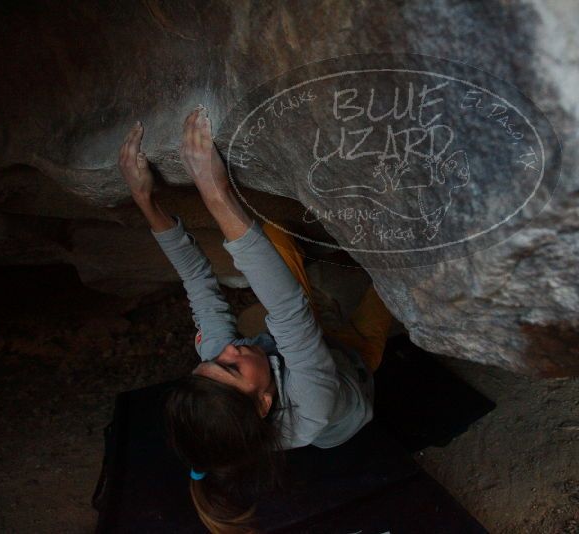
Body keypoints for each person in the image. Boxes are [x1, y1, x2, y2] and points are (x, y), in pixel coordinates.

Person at [116, 105, 394, 533]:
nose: (225, 349)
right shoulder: (312, 408)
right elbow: (287, 310)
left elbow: (197, 281)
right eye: (230, 366)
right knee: (396, 276)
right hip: (353, 360)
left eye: (208, 362)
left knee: (274, 236)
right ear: (264, 404)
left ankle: (331, 274)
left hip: (306, 343)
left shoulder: (222, 381)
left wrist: (145, 201)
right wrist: (215, 192)